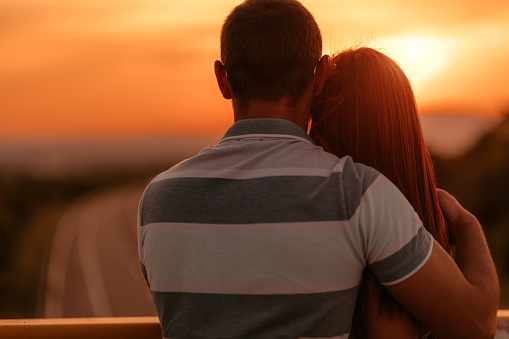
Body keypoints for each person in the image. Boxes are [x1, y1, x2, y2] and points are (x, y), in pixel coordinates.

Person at [137, 1, 499, 338]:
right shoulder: (358, 194)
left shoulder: (157, 201)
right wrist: (466, 224)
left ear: (223, 79)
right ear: (322, 74)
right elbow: (478, 324)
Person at [308, 47, 451, 338]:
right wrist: (466, 222)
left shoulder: (317, 229)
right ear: (405, 130)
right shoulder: (433, 245)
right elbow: (481, 324)